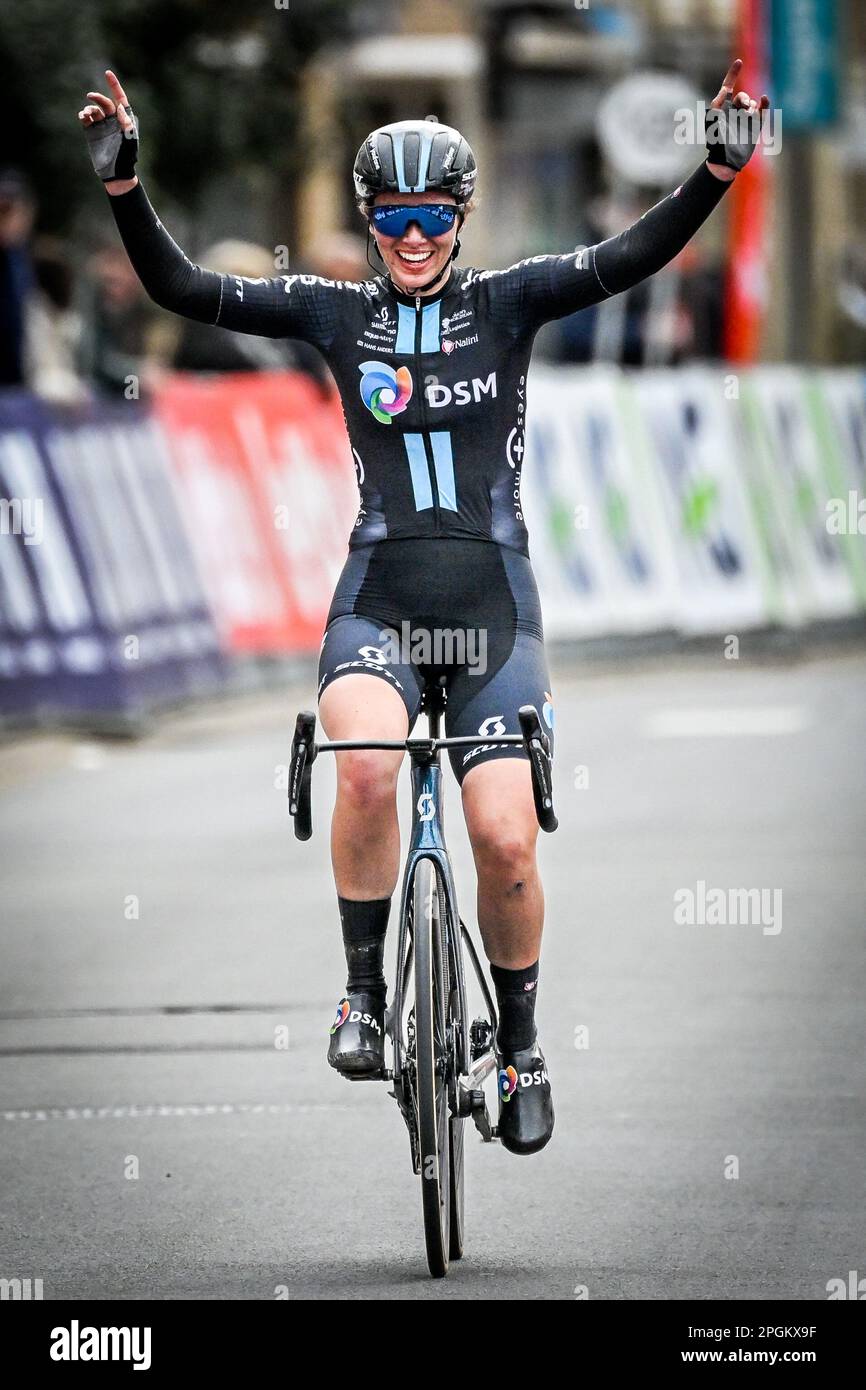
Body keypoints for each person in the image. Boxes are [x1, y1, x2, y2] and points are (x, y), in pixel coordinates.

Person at [79, 64, 768, 1156]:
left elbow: (634, 255)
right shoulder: (331, 310)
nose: (410, 237)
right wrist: (126, 188)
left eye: (430, 217)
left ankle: (523, 1047)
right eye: (391, 218)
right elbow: (180, 290)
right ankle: (361, 995)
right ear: (369, 219)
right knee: (360, 764)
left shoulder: (511, 300)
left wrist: (716, 168)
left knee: (502, 839)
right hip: (382, 596)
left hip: (492, 601)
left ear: (459, 217)